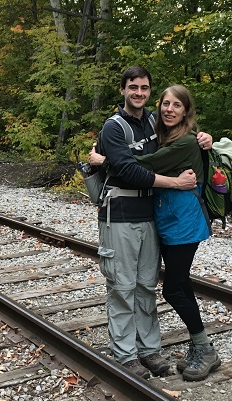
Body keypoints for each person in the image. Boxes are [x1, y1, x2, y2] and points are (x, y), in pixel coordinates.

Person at [87, 66, 211, 380]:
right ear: (123, 90)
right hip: (121, 216)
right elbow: (131, 172)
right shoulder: (114, 128)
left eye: (144, 88)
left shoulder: (156, 122)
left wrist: (204, 138)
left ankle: (149, 350)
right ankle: (126, 355)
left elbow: (181, 141)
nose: (139, 93)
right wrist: (174, 183)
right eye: (133, 87)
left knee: (145, 286)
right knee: (122, 286)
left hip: (151, 216)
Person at [131, 84, 221, 381]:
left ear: (186, 111)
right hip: (171, 221)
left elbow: (144, 164)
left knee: (172, 288)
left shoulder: (185, 142)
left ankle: (204, 348)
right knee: (179, 284)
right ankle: (200, 346)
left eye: (176, 106)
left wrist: (107, 160)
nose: (169, 109)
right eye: (165, 104)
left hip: (184, 223)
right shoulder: (167, 136)